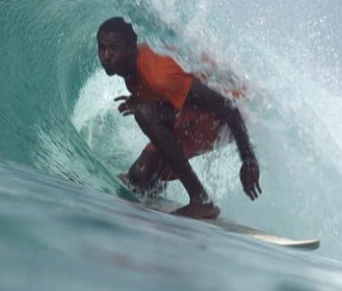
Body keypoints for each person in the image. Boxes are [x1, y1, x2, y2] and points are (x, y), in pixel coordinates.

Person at [96, 16, 261, 219]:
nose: (106, 55)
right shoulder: (133, 71)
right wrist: (140, 99)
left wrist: (248, 159)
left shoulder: (158, 74)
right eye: (102, 48)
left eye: (113, 48)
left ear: (131, 47)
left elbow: (227, 107)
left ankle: (201, 201)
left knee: (145, 115)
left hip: (230, 111)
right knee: (140, 175)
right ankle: (152, 185)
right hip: (197, 112)